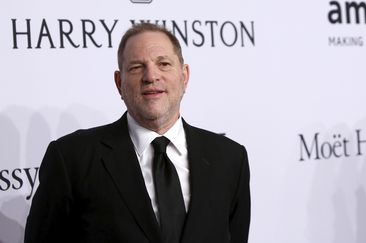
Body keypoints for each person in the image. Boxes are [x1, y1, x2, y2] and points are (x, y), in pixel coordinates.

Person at [24, 23, 250, 243]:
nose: (151, 76)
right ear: (119, 82)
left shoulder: (230, 158)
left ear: (185, 77)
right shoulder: (72, 158)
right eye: (136, 67)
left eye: (163, 64)